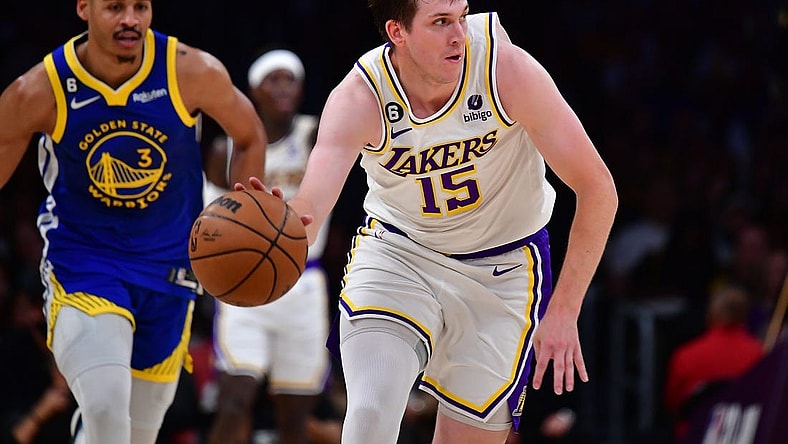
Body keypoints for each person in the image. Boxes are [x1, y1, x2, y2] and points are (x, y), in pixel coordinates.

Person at [238, 1, 618, 443]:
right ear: (397, 33)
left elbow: (598, 189)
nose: (459, 33)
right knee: (372, 414)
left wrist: (564, 311)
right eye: (440, 23)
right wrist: (272, 228)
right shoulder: (360, 97)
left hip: (503, 268)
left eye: (461, 15)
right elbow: (310, 211)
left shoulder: (505, 69)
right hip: (400, 254)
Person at [0, 1, 267, 443]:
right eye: (115, 7)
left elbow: (249, 134)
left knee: (136, 435)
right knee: (106, 408)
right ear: (84, 8)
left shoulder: (189, 71)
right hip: (85, 264)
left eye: (140, 6)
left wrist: (246, 213)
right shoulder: (41, 90)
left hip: (170, 272)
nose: (130, 19)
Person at [203, 48, 337, 444]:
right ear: (253, 91)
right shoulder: (225, 150)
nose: (283, 87)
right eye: (273, 79)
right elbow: (211, 228)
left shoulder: (315, 135)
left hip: (303, 282)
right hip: (245, 285)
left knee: (295, 417)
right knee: (234, 400)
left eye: (290, 79)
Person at [663, 284, 765, 442]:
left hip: (694, 435)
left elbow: (673, 404)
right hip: (742, 437)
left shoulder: (687, 355)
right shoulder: (759, 354)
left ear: (712, 312)